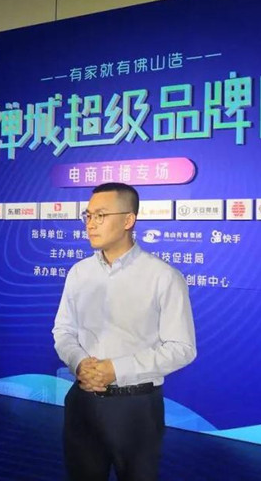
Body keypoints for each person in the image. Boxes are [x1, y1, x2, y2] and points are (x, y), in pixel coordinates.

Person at [52, 182, 196, 481]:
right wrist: (80, 363)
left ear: (128, 220)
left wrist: (116, 370)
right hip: (82, 401)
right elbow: (63, 330)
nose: (91, 224)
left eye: (101, 215)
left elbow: (181, 348)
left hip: (135, 408)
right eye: (88, 215)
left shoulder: (163, 277)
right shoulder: (79, 272)